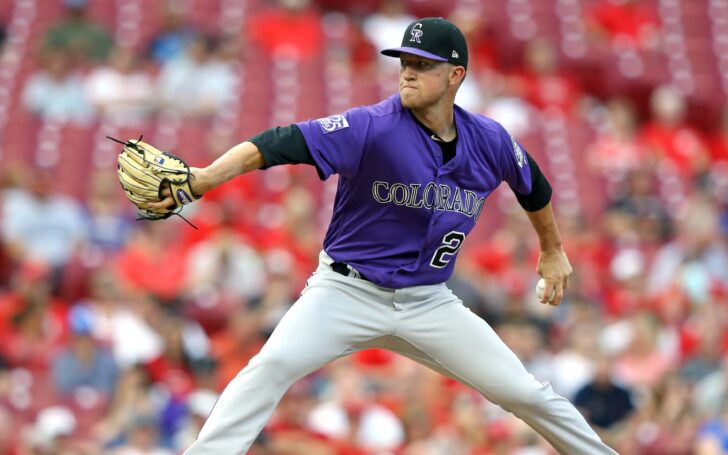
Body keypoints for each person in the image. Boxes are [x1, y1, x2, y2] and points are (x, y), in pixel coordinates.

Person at [150, 17, 617, 454]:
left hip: (428, 301)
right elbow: (276, 143)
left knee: (525, 392)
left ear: (455, 76)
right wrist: (207, 177)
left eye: (421, 65)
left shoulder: (489, 139)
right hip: (345, 291)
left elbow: (533, 184)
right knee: (268, 369)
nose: (407, 74)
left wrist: (553, 249)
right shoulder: (371, 126)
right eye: (405, 63)